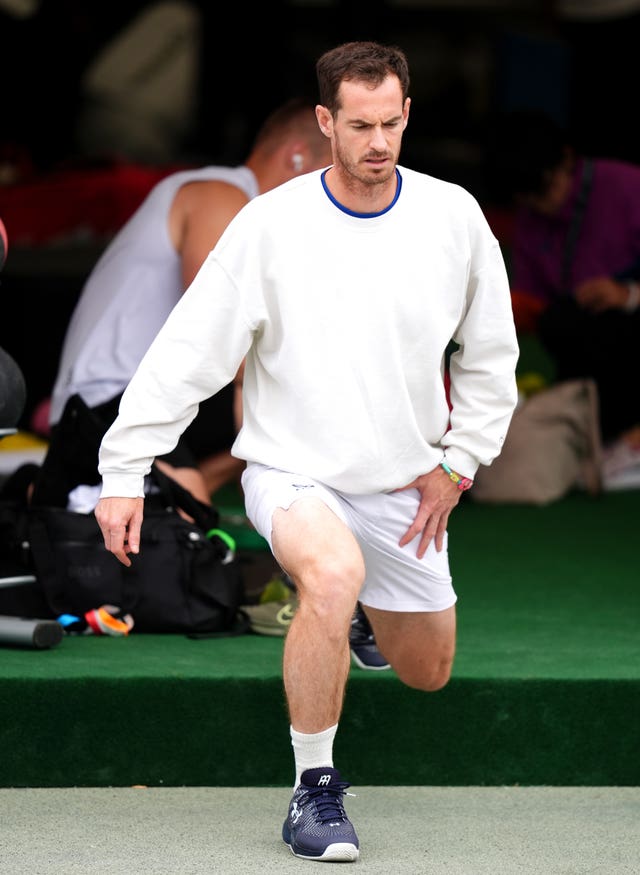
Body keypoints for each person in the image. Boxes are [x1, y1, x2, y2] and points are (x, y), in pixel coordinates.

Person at [94, 41, 519, 863]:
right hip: (292, 469)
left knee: (427, 668)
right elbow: (188, 354)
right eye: (358, 125)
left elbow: (491, 355)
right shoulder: (270, 223)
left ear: (407, 114)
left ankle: (356, 611)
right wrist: (123, 470)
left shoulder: (454, 215)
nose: (378, 143)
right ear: (325, 122)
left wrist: (459, 463)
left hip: (405, 481)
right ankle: (314, 792)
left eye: (391, 122)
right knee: (328, 575)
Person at [47, 97, 332, 505]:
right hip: (104, 408)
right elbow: (225, 335)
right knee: (299, 395)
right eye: (334, 179)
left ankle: (190, 494)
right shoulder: (221, 196)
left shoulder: (245, 209)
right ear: (298, 157)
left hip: (143, 395)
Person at [483, 108, 640, 447]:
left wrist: (628, 295)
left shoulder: (627, 186)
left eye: (548, 188)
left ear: (567, 160)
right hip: (583, 341)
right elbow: (532, 305)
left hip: (628, 325)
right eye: (530, 198)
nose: (545, 205)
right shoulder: (529, 218)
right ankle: (598, 434)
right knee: (560, 322)